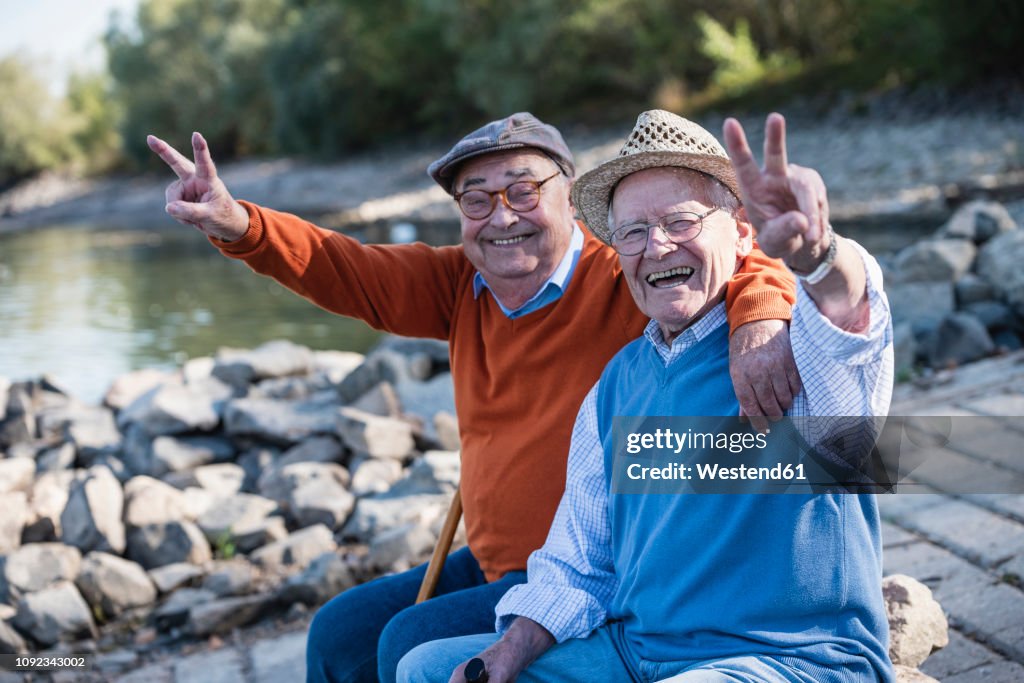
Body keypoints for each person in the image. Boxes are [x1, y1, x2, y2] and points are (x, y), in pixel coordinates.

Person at [146, 113, 800, 683]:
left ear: (569, 195)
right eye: (477, 200)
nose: (503, 216)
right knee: (338, 634)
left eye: (523, 190)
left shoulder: (626, 267)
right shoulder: (460, 283)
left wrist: (762, 317)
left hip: (595, 568)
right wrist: (238, 224)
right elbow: (341, 266)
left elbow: (741, 258)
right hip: (494, 561)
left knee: (409, 643)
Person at [396, 109, 895, 683]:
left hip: (790, 659)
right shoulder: (615, 384)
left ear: (741, 233)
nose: (656, 246)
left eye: (681, 222)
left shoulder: (796, 348)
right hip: (635, 655)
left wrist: (818, 255)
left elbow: (851, 315)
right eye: (632, 231)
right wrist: (506, 654)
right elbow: (578, 566)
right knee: (424, 667)